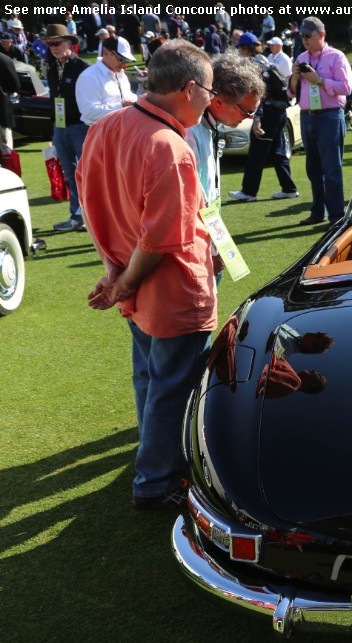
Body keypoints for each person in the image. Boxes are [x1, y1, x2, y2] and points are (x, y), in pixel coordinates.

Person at [77, 40, 217, 511]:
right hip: (170, 288)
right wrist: (124, 280)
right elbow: (160, 238)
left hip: (133, 283)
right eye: (209, 93)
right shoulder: (169, 146)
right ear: (190, 88)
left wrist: (114, 273)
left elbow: (91, 203)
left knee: (151, 379)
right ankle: (157, 479)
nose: (210, 102)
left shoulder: (106, 127)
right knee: (173, 386)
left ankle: (153, 463)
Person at [288, 17, 352, 226]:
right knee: (313, 169)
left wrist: (320, 80)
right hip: (307, 116)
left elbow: (346, 88)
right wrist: (295, 77)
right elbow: (291, 92)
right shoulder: (301, 57)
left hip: (330, 116)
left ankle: (336, 216)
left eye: (308, 35)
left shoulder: (336, 56)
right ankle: (318, 211)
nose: (305, 39)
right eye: (302, 36)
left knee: (332, 169)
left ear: (322, 34)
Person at [187, 51, 264, 209]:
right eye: (247, 112)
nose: (250, 117)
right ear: (218, 102)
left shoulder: (209, 124)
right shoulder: (190, 132)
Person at [228, 33, 297, 204]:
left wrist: (257, 119)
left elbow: (259, 95)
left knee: (257, 152)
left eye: (240, 48)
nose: (239, 52)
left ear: (245, 49)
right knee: (278, 151)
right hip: (279, 112)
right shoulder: (265, 61)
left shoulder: (253, 65)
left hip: (268, 114)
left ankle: (249, 191)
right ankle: (289, 189)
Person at [44, 23, 89, 233]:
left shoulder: (82, 67)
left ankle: (91, 215)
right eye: (50, 44)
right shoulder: (51, 68)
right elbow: (54, 99)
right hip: (60, 126)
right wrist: (54, 128)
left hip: (80, 125)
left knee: (86, 172)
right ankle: (76, 215)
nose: (54, 47)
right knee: (69, 173)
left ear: (69, 43)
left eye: (58, 43)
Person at [76, 36, 138, 128]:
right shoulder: (89, 76)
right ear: (106, 53)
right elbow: (89, 111)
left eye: (126, 60)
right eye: (121, 60)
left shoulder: (120, 74)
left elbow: (128, 97)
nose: (124, 64)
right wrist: (122, 106)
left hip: (121, 128)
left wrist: (143, 89)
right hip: (100, 130)